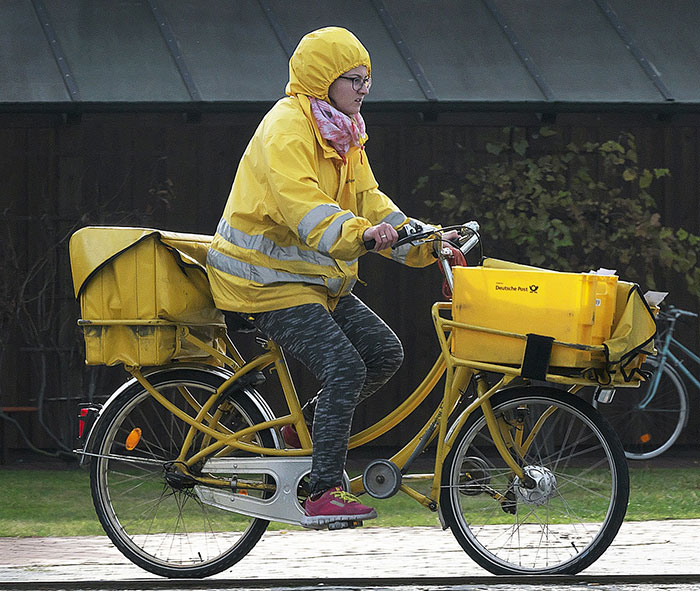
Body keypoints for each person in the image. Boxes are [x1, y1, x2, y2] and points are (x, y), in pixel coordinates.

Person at [207, 26, 452, 529]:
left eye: (367, 80)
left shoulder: (343, 131)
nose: (364, 89)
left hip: (310, 280)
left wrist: (426, 243)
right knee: (346, 367)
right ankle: (322, 491)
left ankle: (307, 431)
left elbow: (369, 199)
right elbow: (304, 206)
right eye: (353, 79)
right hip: (263, 282)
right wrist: (361, 237)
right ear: (322, 79)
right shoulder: (286, 130)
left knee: (384, 354)